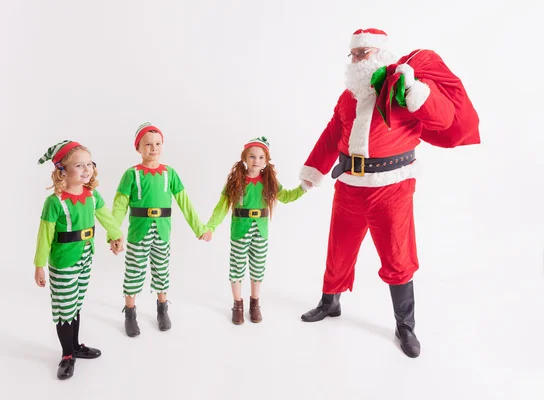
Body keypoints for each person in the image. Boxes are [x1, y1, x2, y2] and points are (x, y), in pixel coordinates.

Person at [298, 28, 480, 358]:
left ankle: (405, 325)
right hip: (349, 186)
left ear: (380, 55)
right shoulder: (348, 97)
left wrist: (414, 88)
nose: (355, 59)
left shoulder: (401, 92)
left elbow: (442, 118)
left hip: (392, 188)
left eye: (362, 53)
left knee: (398, 256)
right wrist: (313, 171)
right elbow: (331, 134)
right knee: (338, 248)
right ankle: (330, 302)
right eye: (353, 54)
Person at [34, 140, 125, 379]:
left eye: (89, 164)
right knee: (65, 307)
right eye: (79, 165)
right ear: (62, 170)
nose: (86, 170)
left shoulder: (92, 196)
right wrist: (39, 265)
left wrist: (115, 236)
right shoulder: (54, 202)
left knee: (75, 304)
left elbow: (107, 218)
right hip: (63, 260)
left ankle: (75, 346)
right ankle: (66, 355)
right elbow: (44, 235)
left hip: (86, 255)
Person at [109, 122, 207, 336]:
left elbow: (184, 202)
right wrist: (114, 234)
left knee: (161, 269)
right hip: (138, 233)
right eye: (148, 144)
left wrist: (199, 228)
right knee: (134, 272)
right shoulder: (131, 174)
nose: (153, 148)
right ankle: (130, 313)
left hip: (162, 232)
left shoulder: (169, 173)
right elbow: (119, 205)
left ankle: (162, 309)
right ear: (138, 148)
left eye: (158, 143)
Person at [200, 136, 310, 324]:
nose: (256, 161)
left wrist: (302, 188)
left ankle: (255, 303)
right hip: (240, 231)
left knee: (258, 267)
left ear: (266, 161)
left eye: (261, 157)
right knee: (236, 267)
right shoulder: (235, 181)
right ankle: (237, 304)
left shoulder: (270, 182)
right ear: (244, 157)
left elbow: (286, 197)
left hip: (260, 231)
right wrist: (210, 227)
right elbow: (222, 207)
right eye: (252, 156)